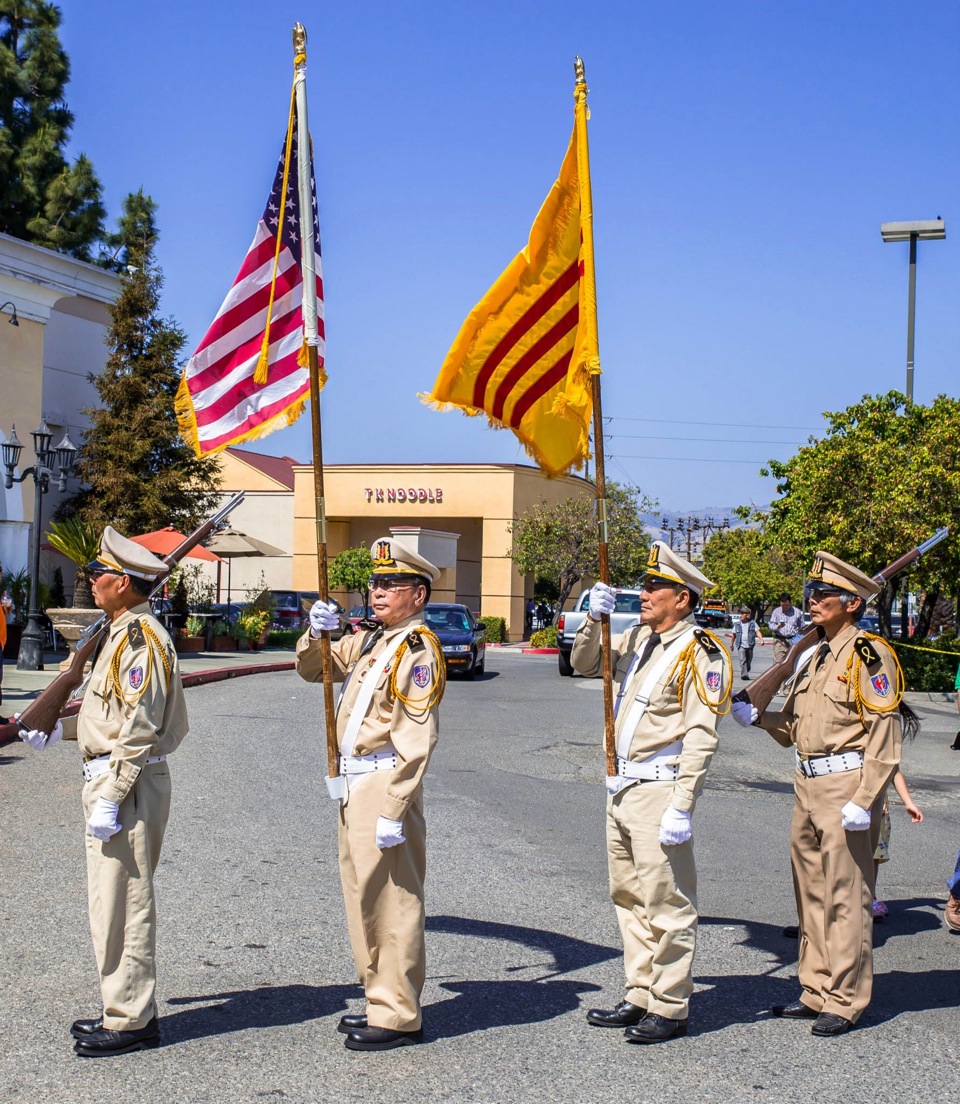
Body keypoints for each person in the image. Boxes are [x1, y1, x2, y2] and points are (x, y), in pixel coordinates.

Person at [18, 527, 186, 1057]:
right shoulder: (117, 632)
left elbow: (140, 725)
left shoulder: (142, 639)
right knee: (107, 904)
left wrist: (113, 793)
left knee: (126, 903)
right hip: (112, 779)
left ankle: (132, 1018)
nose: (90, 581)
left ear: (129, 583)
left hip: (127, 784)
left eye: (100, 575)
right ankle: (122, 1004)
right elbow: (109, 715)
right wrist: (59, 726)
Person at [732, 551, 902, 1036]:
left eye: (822, 594)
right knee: (810, 893)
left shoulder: (870, 654)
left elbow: (885, 735)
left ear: (852, 603)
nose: (812, 601)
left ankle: (846, 999)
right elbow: (796, 728)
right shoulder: (815, 655)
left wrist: (864, 799)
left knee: (847, 896)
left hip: (847, 786)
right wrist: (759, 718)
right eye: (811, 593)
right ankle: (815, 986)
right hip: (806, 782)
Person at [572, 541, 731, 1044]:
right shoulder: (639, 638)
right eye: (644, 585)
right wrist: (591, 621)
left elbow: (703, 735)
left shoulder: (702, 651)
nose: (642, 594)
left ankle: (670, 1004)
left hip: (660, 790)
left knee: (667, 901)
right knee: (629, 896)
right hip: (622, 787)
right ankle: (640, 990)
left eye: (653, 587)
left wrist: (683, 805)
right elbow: (585, 663)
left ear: (682, 598)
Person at [297, 536, 445, 1052]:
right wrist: (317, 631)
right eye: (375, 583)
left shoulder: (417, 649)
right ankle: (377, 997)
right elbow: (315, 668)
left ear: (418, 594)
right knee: (363, 898)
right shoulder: (373, 641)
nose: (378, 592)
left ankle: (399, 1012)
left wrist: (395, 808)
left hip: (383, 781)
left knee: (393, 901)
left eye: (391, 584)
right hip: (353, 780)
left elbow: (417, 738)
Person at [872, 767, 923, 919]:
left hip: (876, 803)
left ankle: (869, 897)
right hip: (849, 798)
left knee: (873, 854)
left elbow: (893, 768)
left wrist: (908, 802)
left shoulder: (882, 744)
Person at [768, 592, 805, 665]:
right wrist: (777, 626)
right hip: (780, 640)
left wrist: (799, 633)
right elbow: (771, 626)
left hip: (793, 640)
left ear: (790, 602)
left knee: (792, 663)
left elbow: (802, 627)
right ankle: (778, 676)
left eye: (786, 605)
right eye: (782, 605)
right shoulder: (776, 612)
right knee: (778, 663)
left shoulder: (797, 612)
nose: (784, 607)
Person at [731, 606, 762, 680]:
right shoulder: (737, 624)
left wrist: (761, 639)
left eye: (742, 613)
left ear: (747, 615)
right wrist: (731, 644)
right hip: (740, 645)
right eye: (740, 613)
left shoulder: (752, 623)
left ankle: (747, 668)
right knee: (742, 660)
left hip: (750, 645)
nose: (741, 615)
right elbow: (733, 635)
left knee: (748, 660)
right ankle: (744, 675)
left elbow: (757, 631)